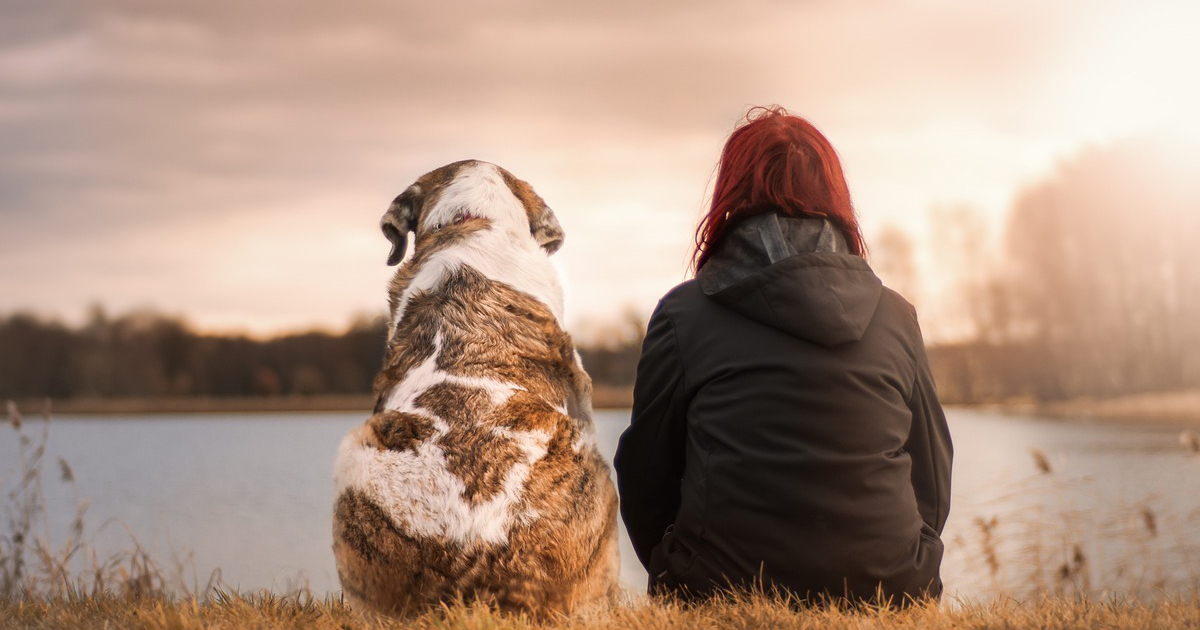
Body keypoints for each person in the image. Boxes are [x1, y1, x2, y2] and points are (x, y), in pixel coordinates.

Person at [613, 106, 952, 606]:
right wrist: (907, 561)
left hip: (718, 590)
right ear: (834, 196)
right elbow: (933, 476)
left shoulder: (683, 315)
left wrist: (676, 567)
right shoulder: (896, 316)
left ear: (731, 195)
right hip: (891, 590)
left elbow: (645, 474)